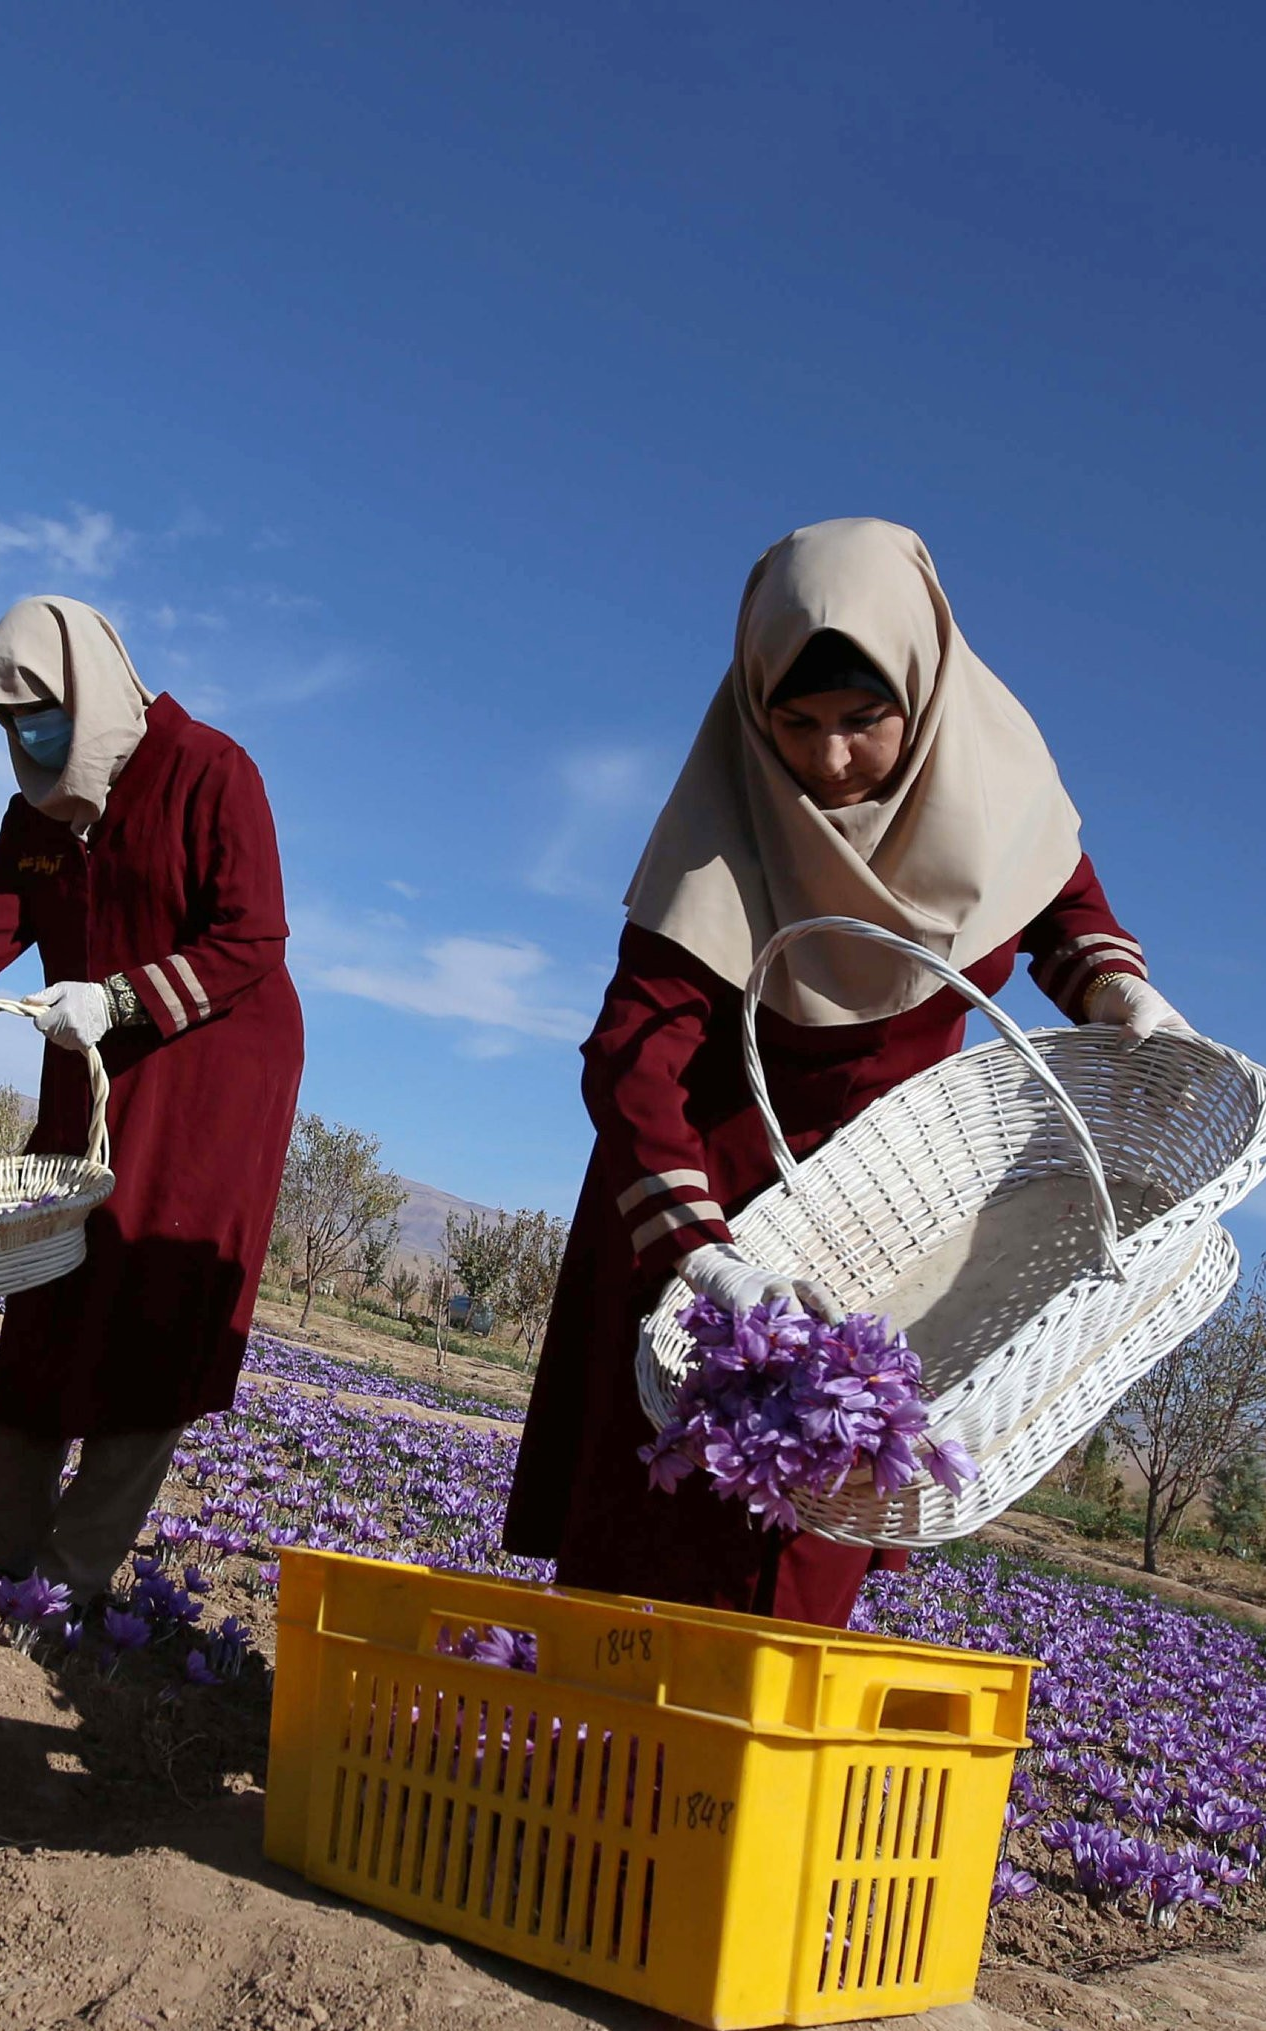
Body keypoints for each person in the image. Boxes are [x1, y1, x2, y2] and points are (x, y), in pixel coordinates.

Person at [503, 518, 1189, 1623]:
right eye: (797, 722)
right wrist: (705, 1259)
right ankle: (604, 1727)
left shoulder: (991, 787)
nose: (826, 762)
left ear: (920, 694)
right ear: (754, 705)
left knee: (813, 1523)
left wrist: (1122, 996)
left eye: (863, 722)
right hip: (704, 1204)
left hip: (885, 1221)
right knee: (656, 1520)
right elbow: (631, 1053)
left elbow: (1063, 921)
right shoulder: (725, 819)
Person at [0, 596, 302, 1608]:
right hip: (88, 1064)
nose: (26, 737)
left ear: (91, 692)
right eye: (8, 721)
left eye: (40, 712)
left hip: (209, 1068)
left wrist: (122, 997)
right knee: (51, 1276)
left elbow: (252, 938)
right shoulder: (40, 814)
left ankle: (73, 1571)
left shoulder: (207, 769)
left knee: (151, 1289)